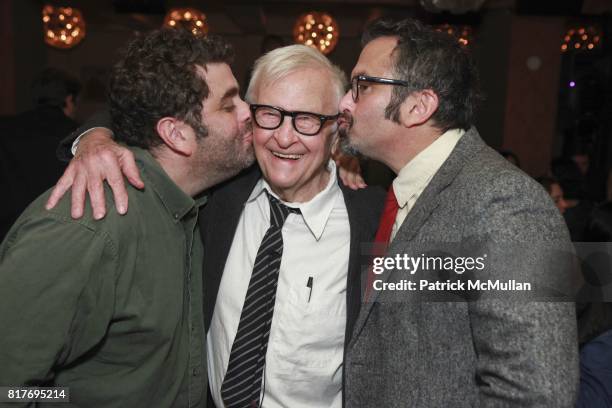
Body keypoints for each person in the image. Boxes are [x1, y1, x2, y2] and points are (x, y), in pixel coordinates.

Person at [46, 45, 385, 407]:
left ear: (337, 127)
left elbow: (427, 337)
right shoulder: (217, 193)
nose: (285, 138)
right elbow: (146, 113)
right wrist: (95, 138)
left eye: (307, 119)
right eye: (269, 114)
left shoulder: (379, 222)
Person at [0, 28, 254, 407]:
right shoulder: (86, 229)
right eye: (229, 104)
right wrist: (73, 399)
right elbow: (10, 388)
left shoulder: (192, 204)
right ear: (176, 134)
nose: (249, 111)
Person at [337, 18, 579, 406]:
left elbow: (535, 394)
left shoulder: (508, 205)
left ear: (419, 105)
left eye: (361, 86)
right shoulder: (410, 192)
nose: (345, 102)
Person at [0, 68, 81, 240]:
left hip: (7, 233)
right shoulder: (80, 137)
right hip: (59, 234)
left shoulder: (5, 128)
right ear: (69, 100)